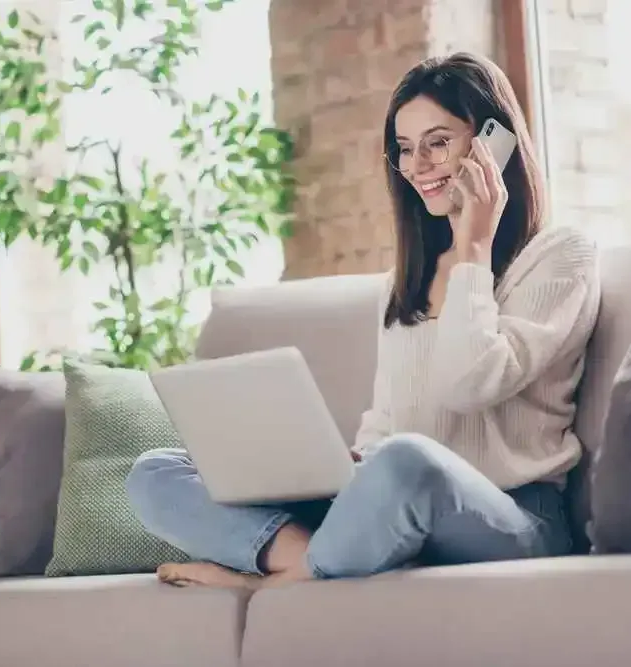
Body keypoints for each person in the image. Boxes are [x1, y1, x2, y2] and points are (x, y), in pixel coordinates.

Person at [124, 52, 601, 589]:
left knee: (405, 462)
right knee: (156, 472)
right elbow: (386, 417)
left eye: (438, 141)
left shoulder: (560, 256)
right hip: (393, 502)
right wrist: (344, 461)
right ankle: (299, 558)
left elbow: (470, 384)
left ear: (493, 142)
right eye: (404, 148)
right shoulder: (409, 279)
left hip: (514, 519)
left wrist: (474, 244)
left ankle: (280, 581)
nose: (418, 165)